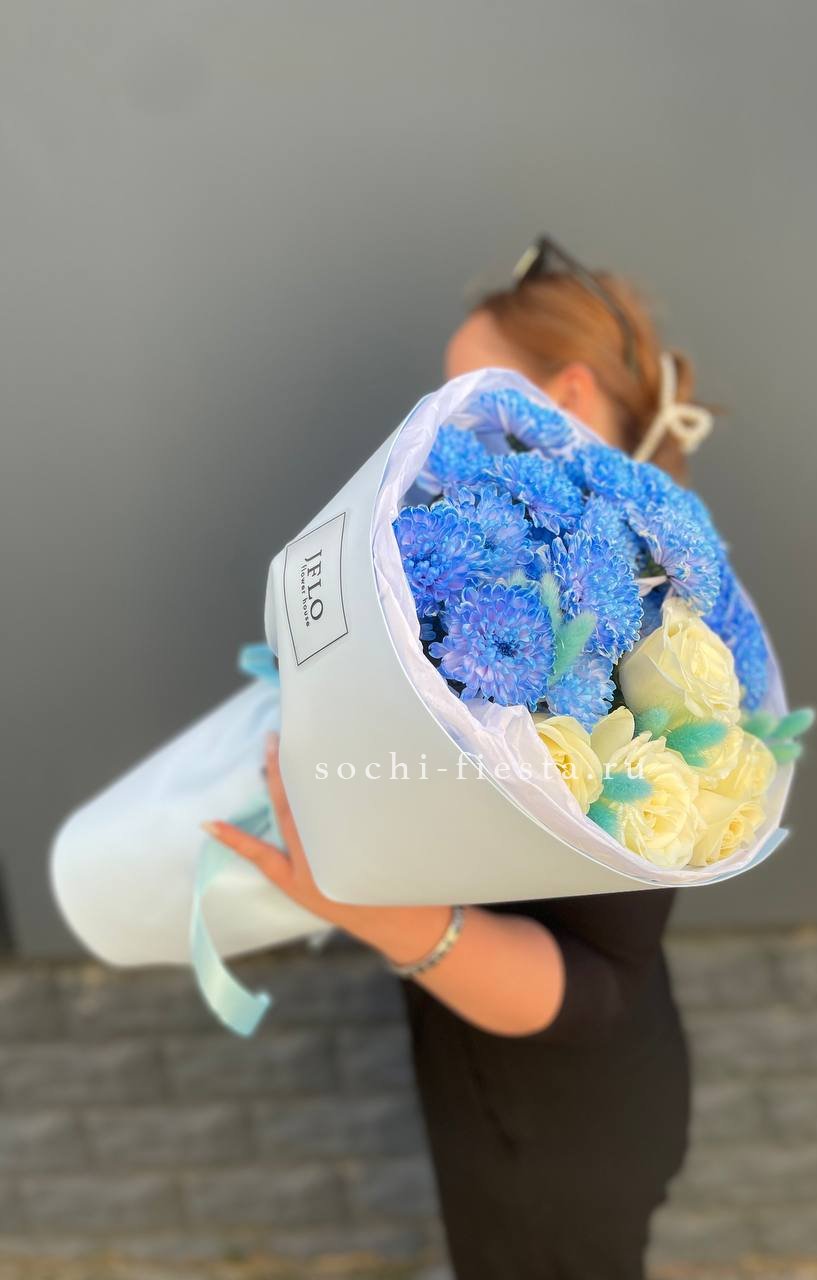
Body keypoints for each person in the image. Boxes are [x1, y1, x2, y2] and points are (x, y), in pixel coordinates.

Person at [205, 237, 714, 1279]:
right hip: (500, 1078)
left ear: (559, 398)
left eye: (462, 395)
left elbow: (599, 980)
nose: (438, 430)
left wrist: (361, 904)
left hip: (561, 1131)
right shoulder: (515, 574)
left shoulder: (650, 637)